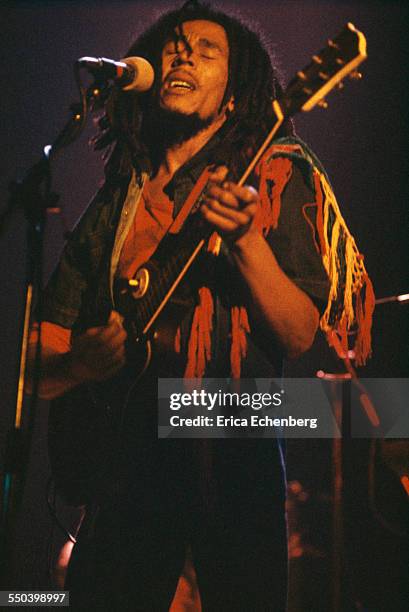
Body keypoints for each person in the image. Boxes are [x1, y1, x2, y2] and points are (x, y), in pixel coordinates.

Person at [27, 1, 373, 610]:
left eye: (205, 49)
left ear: (237, 94)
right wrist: (80, 365)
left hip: (230, 440)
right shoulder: (119, 199)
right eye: (173, 46)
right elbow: (40, 357)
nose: (181, 52)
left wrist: (244, 240)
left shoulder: (273, 176)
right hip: (124, 465)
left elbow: (298, 333)